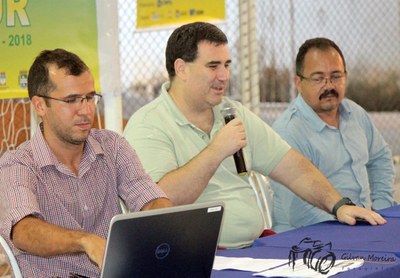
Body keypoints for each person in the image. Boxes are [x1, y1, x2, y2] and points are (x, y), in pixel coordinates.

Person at [123, 22, 386, 249]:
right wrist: (217, 150)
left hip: (253, 248)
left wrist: (338, 205)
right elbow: (159, 204)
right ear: (181, 69)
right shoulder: (148, 125)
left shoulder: (232, 111)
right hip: (196, 258)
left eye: (227, 65)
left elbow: (293, 167)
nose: (224, 76)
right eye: (213, 66)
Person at [0, 49, 172, 277]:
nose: (86, 110)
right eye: (71, 100)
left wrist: (165, 220)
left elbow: (150, 200)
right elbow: (23, 231)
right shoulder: (18, 164)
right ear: (40, 106)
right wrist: (84, 241)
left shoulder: (113, 147)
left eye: (90, 97)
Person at [270, 37, 395, 232]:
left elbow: (380, 159)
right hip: (310, 239)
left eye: (336, 76)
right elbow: (299, 210)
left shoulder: (355, 114)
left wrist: (381, 208)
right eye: (318, 78)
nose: (329, 86)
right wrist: (352, 229)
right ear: (298, 82)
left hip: (362, 227)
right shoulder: (288, 131)